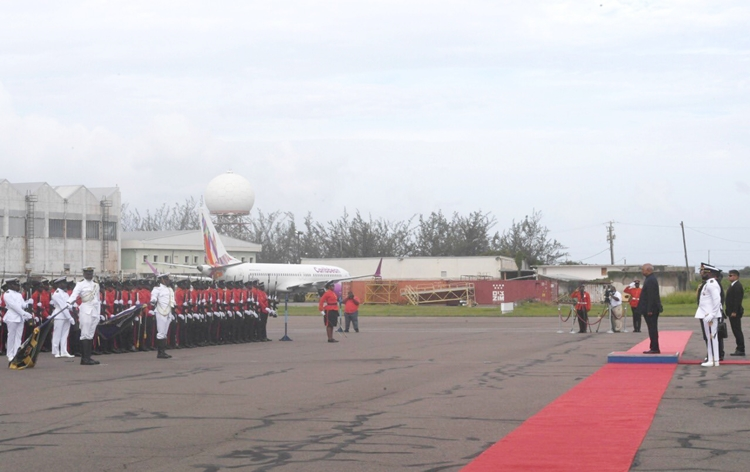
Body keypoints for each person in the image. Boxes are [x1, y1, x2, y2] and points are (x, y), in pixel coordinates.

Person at [67, 267, 102, 365]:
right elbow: (74, 295)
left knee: (90, 335)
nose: (89, 275)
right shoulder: (80, 284)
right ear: (84, 274)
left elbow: (98, 300)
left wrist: (98, 314)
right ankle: (84, 359)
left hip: (94, 311)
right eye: (87, 273)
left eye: (91, 273)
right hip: (85, 309)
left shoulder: (96, 285)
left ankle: (88, 357)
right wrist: (69, 302)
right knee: (85, 334)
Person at [696, 263, 723, 366]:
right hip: (706, 314)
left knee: (712, 337)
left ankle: (713, 360)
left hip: (710, 315)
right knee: (710, 337)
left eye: (704, 272)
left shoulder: (712, 284)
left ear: (710, 273)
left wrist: (712, 314)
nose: (702, 273)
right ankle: (712, 359)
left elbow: (717, 300)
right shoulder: (708, 283)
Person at [2, 278, 33, 362]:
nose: (18, 287)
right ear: (10, 285)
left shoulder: (19, 295)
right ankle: (10, 354)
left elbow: (22, 304)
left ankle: (17, 353)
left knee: (18, 337)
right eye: (16, 285)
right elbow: (14, 306)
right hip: (12, 317)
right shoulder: (7, 294)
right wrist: (24, 313)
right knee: (11, 336)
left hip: (20, 318)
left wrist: (28, 303)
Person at [638, 263, 662, 354]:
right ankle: (653, 347)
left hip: (651, 310)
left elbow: (652, 296)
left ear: (648, 270)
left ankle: (655, 348)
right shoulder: (649, 279)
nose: (642, 271)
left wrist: (650, 310)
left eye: (643, 270)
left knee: (652, 329)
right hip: (649, 308)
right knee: (651, 328)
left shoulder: (651, 280)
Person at [150, 273, 175, 359]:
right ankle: (160, 352)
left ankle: (163, 351)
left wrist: (171, 313)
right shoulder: (157, 289)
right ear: (162, 280)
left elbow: (171, 301)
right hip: (160, 312)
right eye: (167, 279)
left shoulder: (170, 289)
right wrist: (153, 300)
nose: (168, 281)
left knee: (165, 333)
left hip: (168, 312)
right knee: (160, 332)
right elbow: (153, 297)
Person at [50, 277, 75, 358]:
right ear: (59, 284)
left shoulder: (65, 293)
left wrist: (73, 307)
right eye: (63, 283)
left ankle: (64, 351)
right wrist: (70, 318)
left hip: (66, 316)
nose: (65, 284)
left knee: (65, 334)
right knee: (57, 334)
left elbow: (69, 304)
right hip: (59, 315)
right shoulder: (56, 294)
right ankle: (56, 351)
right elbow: (63, 306)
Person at [726, 269, 745, 356]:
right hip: (731, 312)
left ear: (736, 276)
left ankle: (741, 349)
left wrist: (734, 311)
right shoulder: (733, 285)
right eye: (729, 275)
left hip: (735, 313)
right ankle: (739, 348)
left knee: (737, 330)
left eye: (731, 275)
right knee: (735, 330)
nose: (729, 277)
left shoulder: (737, 286)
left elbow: (737, 300)